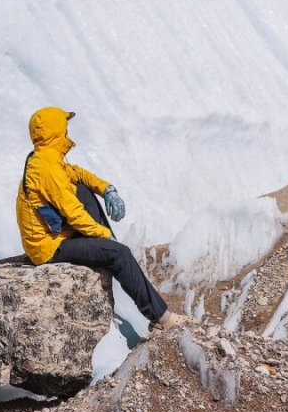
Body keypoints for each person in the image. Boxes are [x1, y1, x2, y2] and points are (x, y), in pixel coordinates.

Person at [15, 105, 181, 331]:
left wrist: (107, 189)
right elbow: (73, 214)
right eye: (64, 126)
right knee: (119, 254)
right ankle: (161, 318)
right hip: (49, 249)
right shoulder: (47, 170)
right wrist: (106, 238)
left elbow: (78, 174)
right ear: (56, 131)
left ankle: (112, 255)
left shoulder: (47, 158)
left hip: (57, 235)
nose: (67, 130)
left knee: (82, 187)